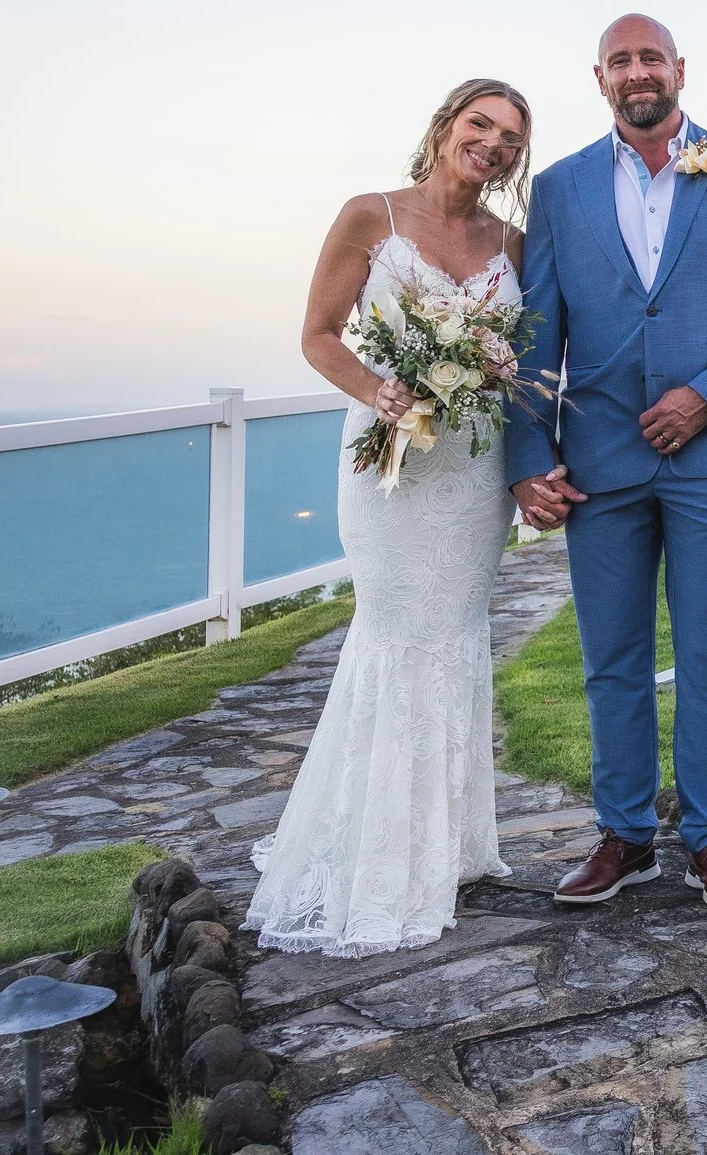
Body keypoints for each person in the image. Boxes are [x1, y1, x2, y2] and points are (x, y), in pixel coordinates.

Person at [507, 14, 707, 911]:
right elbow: (533, 335)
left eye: (650, 58)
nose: (637, 73)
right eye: (620, 61)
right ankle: (626, 834)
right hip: (597, 459)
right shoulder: (559, 189)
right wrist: (529, 458)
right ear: (598, 79)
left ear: (680, 69)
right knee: (612, 657)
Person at [250, 79, 533, 956]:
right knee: (397, 632)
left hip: (471, 476)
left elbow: (525, 360)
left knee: (455, 636)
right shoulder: (369, 216)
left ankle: (444, 844)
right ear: (445, 126)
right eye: (479, 124)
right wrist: (383, 389)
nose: (491, 143)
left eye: (511, 137)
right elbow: (319, 332)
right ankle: (376, 859)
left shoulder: (513, 243)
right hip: (389, 466)